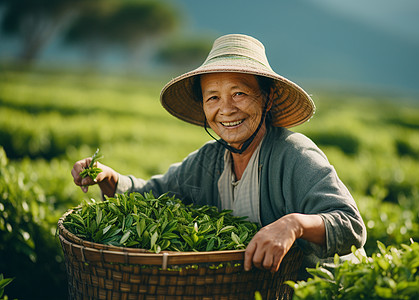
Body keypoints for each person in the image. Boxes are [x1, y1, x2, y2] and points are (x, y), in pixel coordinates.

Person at [71, 33, 366, 279]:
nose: (225, 109)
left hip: (328, 288)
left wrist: (294, 224)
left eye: (239, 93)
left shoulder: (294, 154)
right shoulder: (209, 162)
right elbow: (154, 193)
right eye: (213, 97)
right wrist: (108, 178)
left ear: (268, 98)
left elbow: (351, 225)